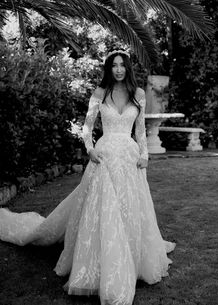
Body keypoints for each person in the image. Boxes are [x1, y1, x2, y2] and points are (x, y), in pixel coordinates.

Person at [0, 48, 176, 305]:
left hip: (128, 159)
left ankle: (133, 258)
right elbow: (87, 127)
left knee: (129, 207)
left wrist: (144, 155)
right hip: (103, 157)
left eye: (122, 65)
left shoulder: (138, 95)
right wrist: (90, 149)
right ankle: (97, 262)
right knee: (103, 208)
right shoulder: (99, 93)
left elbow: (139, 133)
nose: (118, 69)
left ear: (128, 67)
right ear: (109, 68)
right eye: (114, 65)